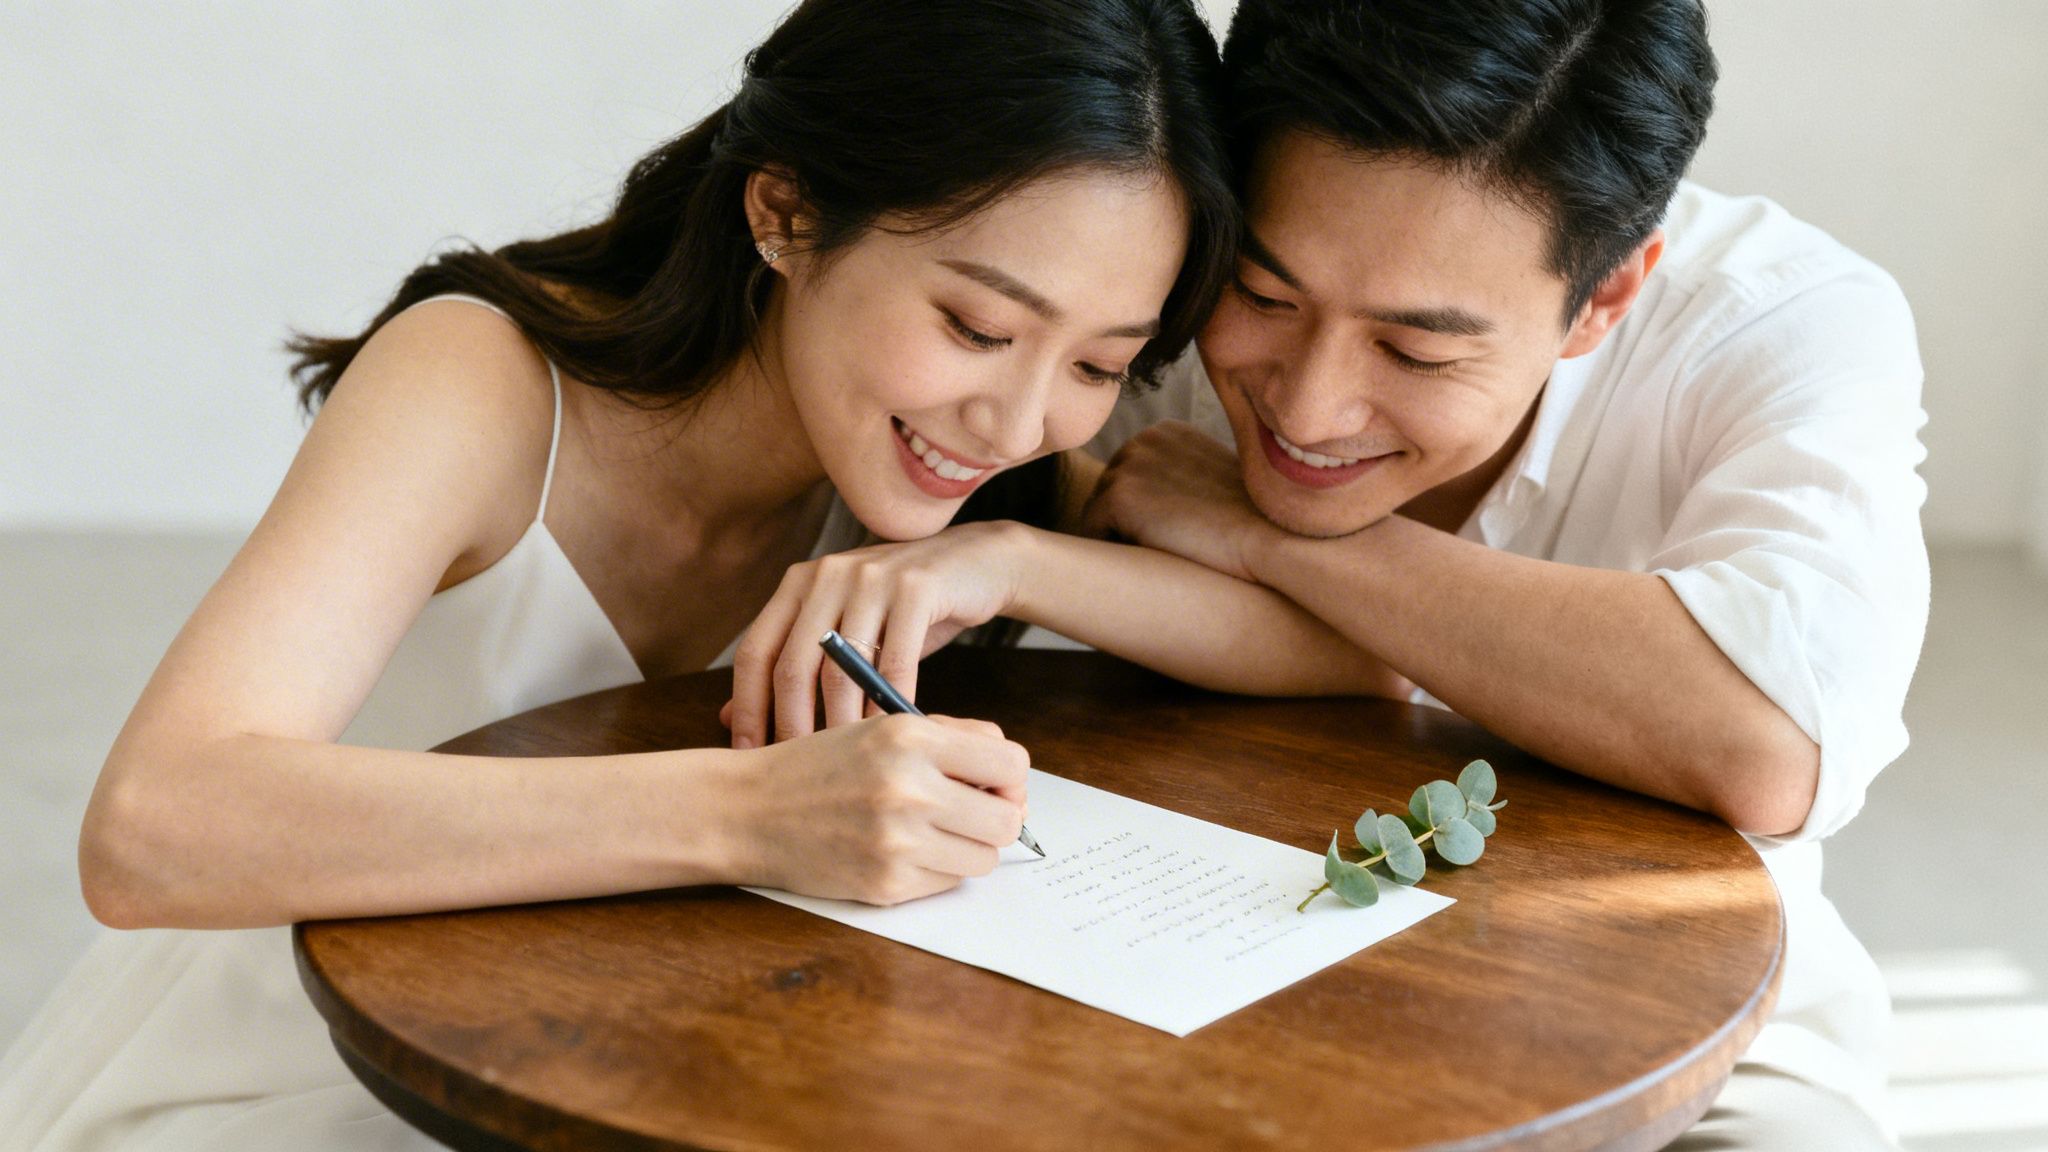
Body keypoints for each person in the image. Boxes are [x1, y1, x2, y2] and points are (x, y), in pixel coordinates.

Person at [0, 2, 1247, 1147]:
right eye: (977, 328)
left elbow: (1308, 645)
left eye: (1098, 366)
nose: (1017, 422)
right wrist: (752, 815)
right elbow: (153, 828)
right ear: (785, 213)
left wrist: (1012, 558)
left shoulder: (966, 487)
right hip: (306, 1079)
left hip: (631, 1078)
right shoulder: (480, 385)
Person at [732, 1, 1928, 1147]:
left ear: (1601, 299)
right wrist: (1020, 554)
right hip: (1166, 975)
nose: (1304, 409)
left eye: (1414, 351)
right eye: (1263, 296)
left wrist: (1267, 535)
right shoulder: (1151, 255)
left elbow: (1770, 740)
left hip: (1677, 1034)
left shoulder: (1773, 326)